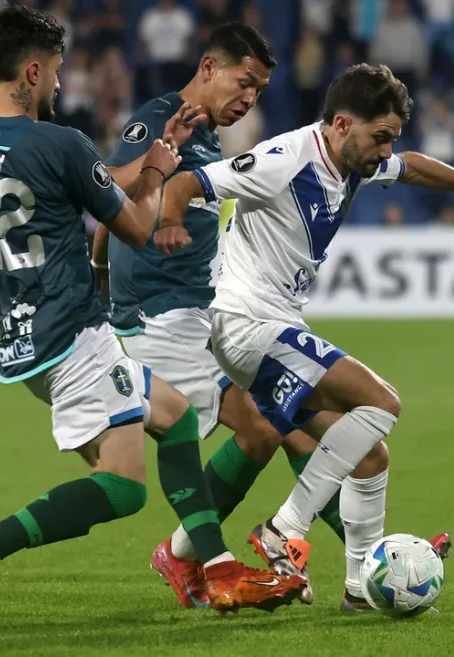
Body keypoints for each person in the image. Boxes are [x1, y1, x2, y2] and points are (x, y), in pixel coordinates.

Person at [0, 5, 306, 634]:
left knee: (174, 420)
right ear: (33, 71)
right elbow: (135, 223)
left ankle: (220, 570)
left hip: (27, 337)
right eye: (58, 72)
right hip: (73, 338)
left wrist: (2, 252)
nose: (62, 84)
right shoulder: (60, 142)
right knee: (124, 489)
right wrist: (158, 168)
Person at [155, 63, 454, 610]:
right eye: (380, 137)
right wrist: (170, 220)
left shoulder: (357, 159)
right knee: (381, 402)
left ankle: (359, 586)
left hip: (276, 330)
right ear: (340, 123)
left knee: (369, 455)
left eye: (391, 139)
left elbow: (414, 169)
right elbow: (191, 181)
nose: (386, 151)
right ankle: (283, 528)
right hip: (247, 327)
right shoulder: (285, 160)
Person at [91, 21, 358, 608]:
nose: (249, 99)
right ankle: (206, 560)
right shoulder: (161, 119)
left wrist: (102, 274)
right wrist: (109, 289)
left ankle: (360, 557)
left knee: (285, 424)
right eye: (244, 83)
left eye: (259, 91)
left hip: (201, 315)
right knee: (271, 426)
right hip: (160, 319)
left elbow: (113, 225)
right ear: (209, 68)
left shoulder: (207, 139)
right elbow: (108, 190)